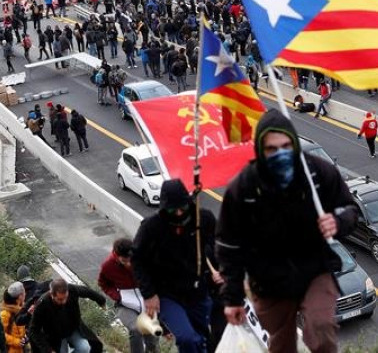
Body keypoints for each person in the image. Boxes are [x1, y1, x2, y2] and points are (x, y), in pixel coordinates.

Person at [216, 109, 358, 353]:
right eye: (272, 149)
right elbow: (229, 246)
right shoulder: (244, 188)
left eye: (286, 146)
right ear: (261, 150)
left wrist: (338, 221)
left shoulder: (316, 173)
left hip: (315, 269)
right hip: (268, 280)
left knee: (322, 327)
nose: (280, 154)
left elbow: (350, 208)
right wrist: (232, 298)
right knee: (281, 344)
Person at [133, 179, 216, 353]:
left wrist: (219, 271)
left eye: (183, 208)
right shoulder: (151, 227)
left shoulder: (203, 219)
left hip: (197, 290)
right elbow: (137, 259)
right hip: (167, 294)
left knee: (202, 338)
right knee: (187, 338)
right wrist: (149, 294)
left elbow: (219, 247)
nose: (178, 213)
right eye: (172, 210)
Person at [97, 238, 158, 353]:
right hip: (125, 304)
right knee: (136, 329)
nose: (129, 264)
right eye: (124, 261)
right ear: (116, 255)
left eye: (131, 260)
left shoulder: (142, 258)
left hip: (145, 300)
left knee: (152, 339)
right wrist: (117, 296)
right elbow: (103, 284)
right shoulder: (107, 266)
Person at [30, 278, 106, 353]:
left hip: (73, 329)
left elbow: (87, 291)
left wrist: (101, 300)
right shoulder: (42, 304)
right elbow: (34, 330)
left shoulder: (71, 290)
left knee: (85, 348)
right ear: (51, 294)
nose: (64, 301)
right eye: (60, 299)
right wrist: (48, 350)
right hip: (56, 337)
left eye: (66, 297)